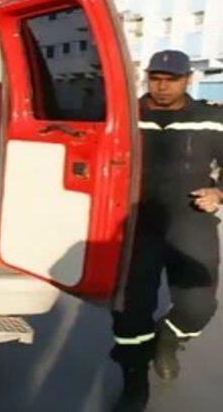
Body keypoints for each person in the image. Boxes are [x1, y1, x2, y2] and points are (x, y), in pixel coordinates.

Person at [112, 50, 222, 411]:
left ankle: (168, 340)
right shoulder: (126, 116)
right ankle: (134, 383)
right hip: (134, 227)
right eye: (156, 78)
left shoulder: (212, 119)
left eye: (171, 79)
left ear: (188, 79)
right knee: (130, 313)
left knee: (199, 305)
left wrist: (219, 193)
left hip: (191, 221)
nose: (162, 86)